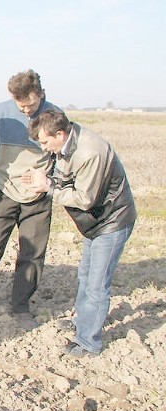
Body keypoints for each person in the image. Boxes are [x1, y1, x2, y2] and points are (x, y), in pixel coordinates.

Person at [23, 110, 136, 357]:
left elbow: (85, 199)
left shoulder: (90, 152)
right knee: (85, 274)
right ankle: (83, 323)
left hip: (112, 221)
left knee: (97, 284)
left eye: (44, 142)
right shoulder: (67, 145)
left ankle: (88, 343)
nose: (43, 148)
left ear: (60, 134)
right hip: (95, 223)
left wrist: (48, 187)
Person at [0, 69, 61, 329]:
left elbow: (63, 154)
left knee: (32, 254)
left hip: (38, 197)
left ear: (39, 95)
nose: (26, 110)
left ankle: (20, 306)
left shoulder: (55, 116)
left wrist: (49, 181)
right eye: (21, 105)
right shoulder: (1, 114)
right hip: (4, 193)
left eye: (30, 105)